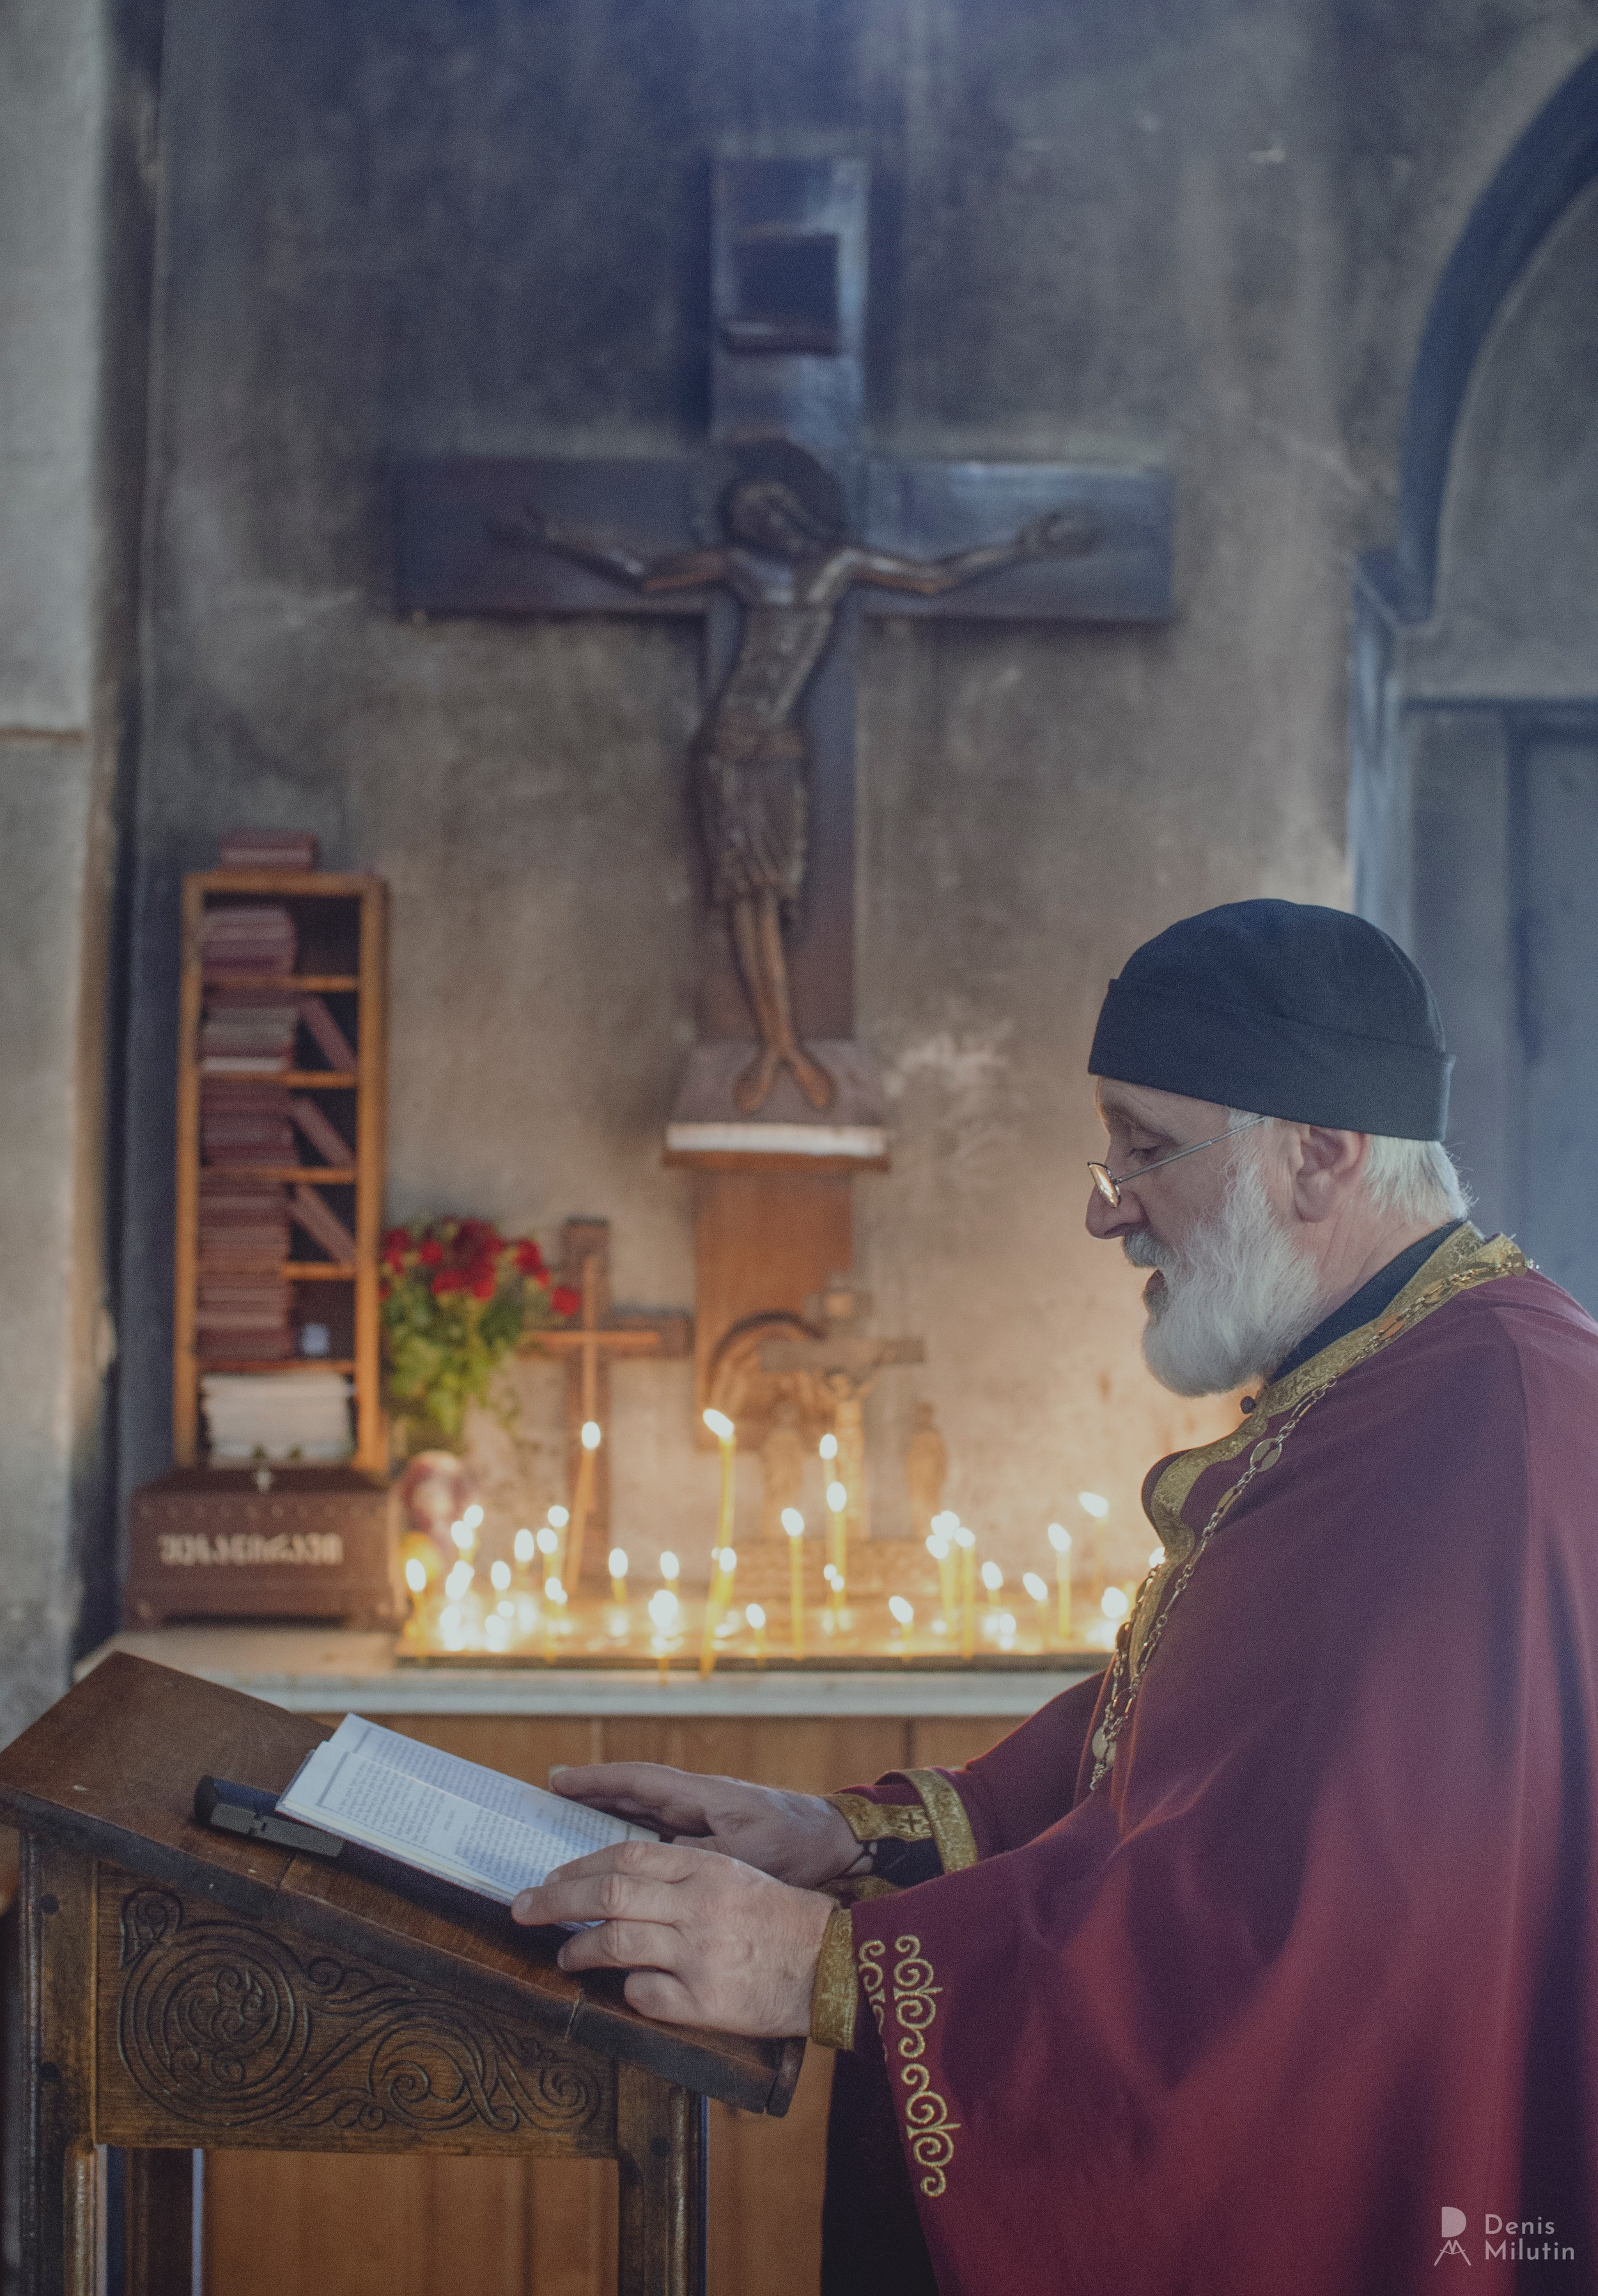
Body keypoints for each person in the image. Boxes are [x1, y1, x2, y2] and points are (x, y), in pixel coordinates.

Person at [511, 900, 1598, 2292]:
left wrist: (828, 1966)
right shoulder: (1396, 1377)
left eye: (1145, 1146)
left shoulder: (1485, 1424)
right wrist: (841, 1841)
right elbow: (1214, 1749)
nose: (1103, 1204)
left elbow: (1304, 1942)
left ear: (1321, 1155)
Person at [502, 440, 1094, 1114]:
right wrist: (557, 537)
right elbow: (643, 573)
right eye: (747, 516)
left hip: (780, 748)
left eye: (768, 509)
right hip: (728, 746)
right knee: (744, 899)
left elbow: (932, 577)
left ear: (791, 509)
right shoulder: (737, 565)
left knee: (776, 893)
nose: (763, 524)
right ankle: (778, 1045)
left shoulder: (838, 562)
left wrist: (1022, 548)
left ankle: (781, 1044)